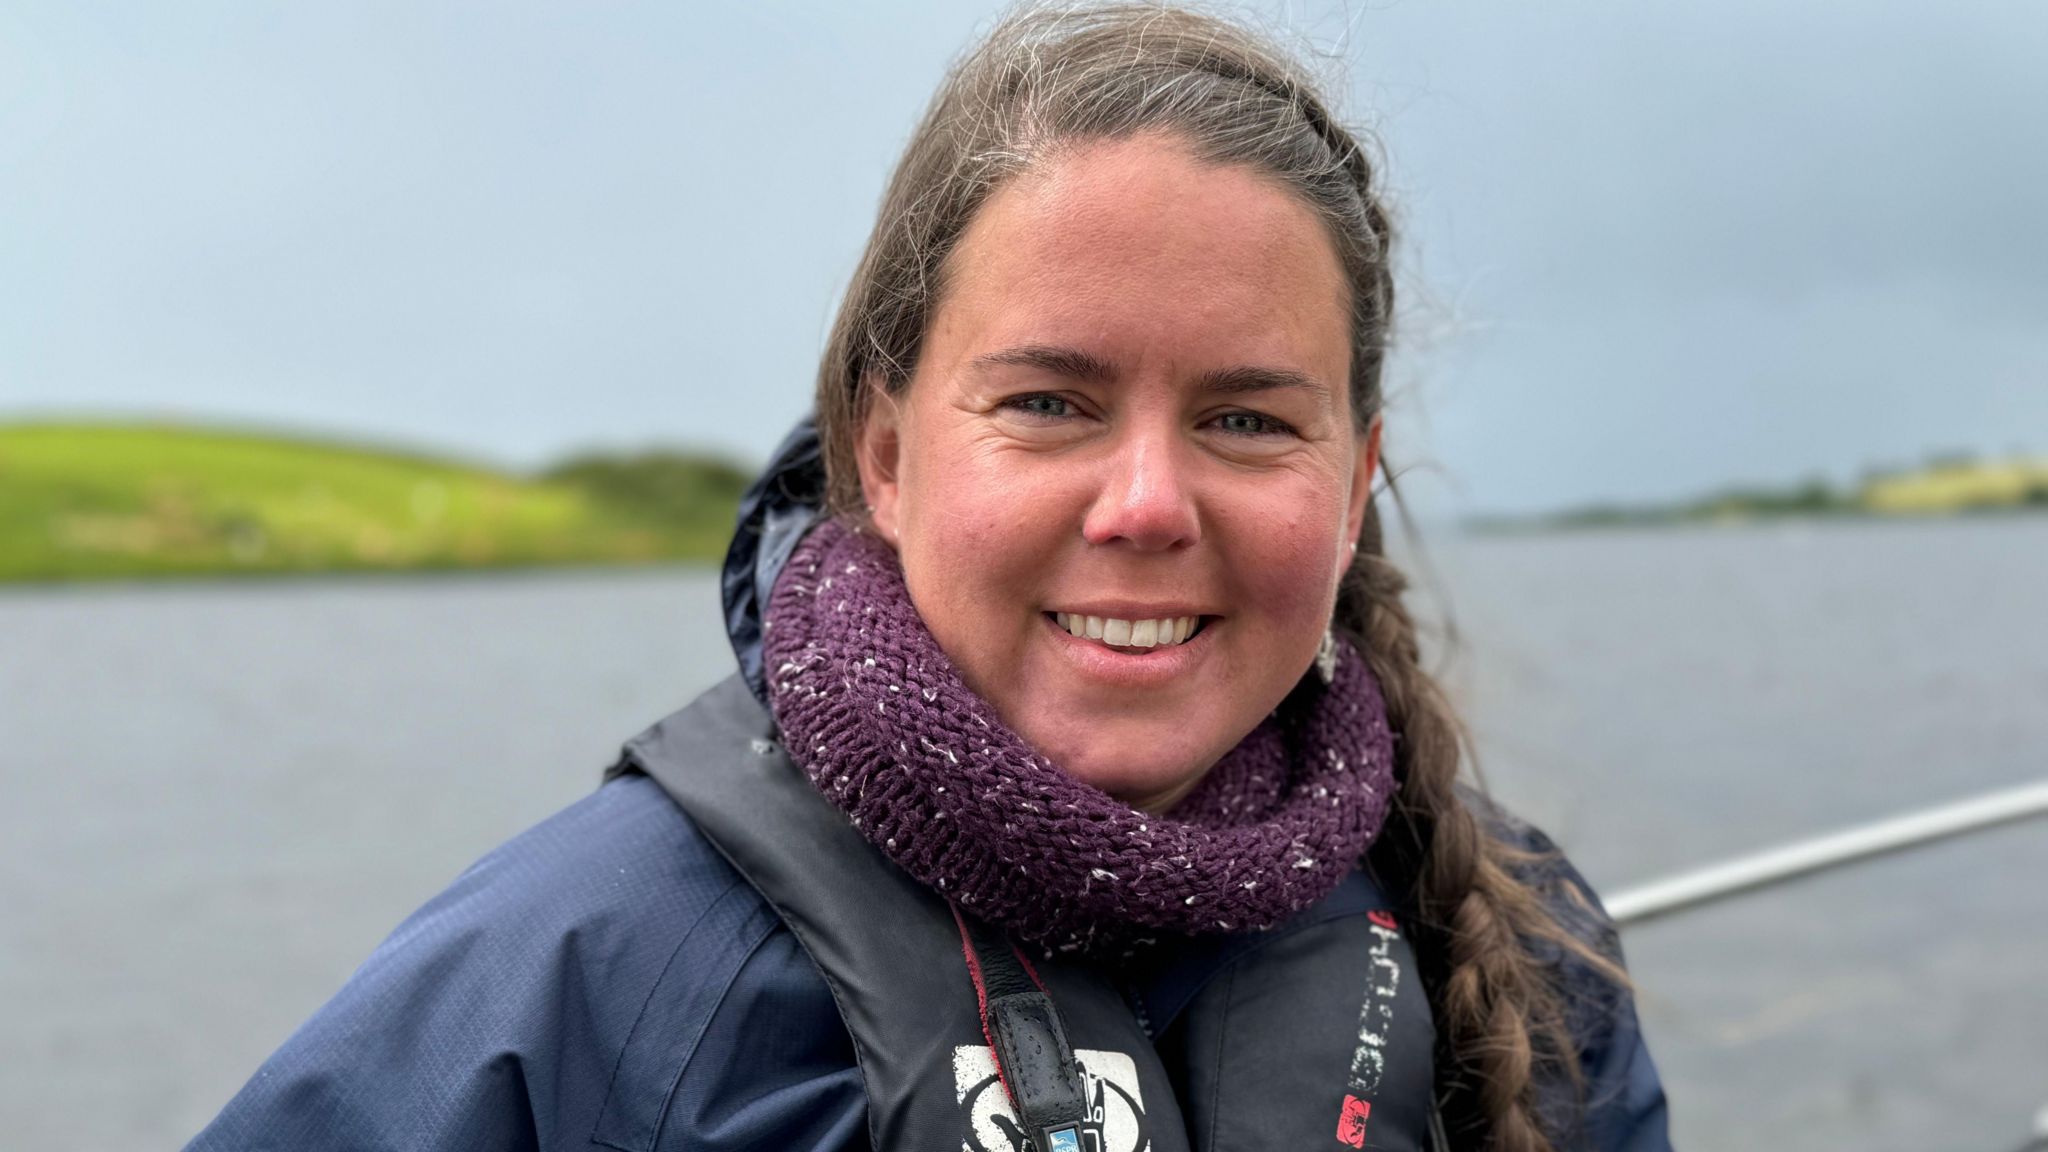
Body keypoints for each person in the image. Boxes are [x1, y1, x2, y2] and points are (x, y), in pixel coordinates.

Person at [188, 6, 1670, 1151]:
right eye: (1048, 404)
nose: (1147, 503)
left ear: (1352, 489)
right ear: (884, 456)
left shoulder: (1520, 943)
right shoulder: (573, 980)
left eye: (1245, 419)